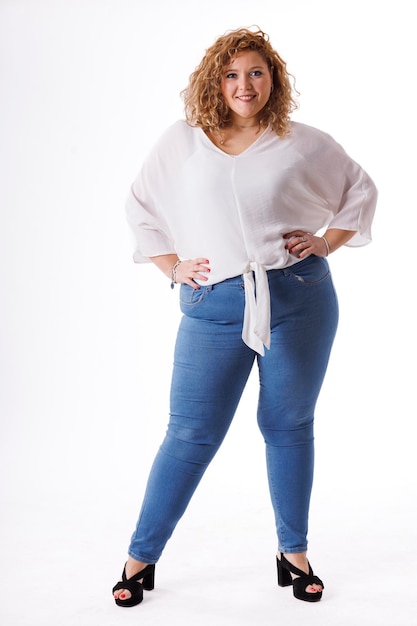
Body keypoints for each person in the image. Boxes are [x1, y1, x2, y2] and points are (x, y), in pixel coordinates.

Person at [112, 26, 377, 607]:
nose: (244, 85)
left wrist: (326, 243)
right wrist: (171, 266)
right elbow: (140, 206)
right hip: (214, 304)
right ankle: (140, 558)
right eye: (232, 74)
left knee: (288, 426)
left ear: (272, 79)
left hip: (299, 297)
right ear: (215, 80)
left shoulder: (302, 141)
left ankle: (294, 553)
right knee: (189, 433)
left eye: (256, 72)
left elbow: (360, 189)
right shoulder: (182, 142)